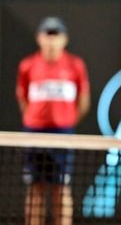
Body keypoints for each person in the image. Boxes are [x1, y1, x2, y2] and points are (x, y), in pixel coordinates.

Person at [15, 16, 90, 225]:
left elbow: (83, 100)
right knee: (35, 188)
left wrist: (68, 120)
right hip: (34, 134)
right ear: (39, 38)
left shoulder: (75, 65)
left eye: (55, 35)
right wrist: (33, 118)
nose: (51, 40)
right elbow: (22, 97)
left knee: (61, 188)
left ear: (64, 39)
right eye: (47, 35)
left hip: (62, 135)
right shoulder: (27, 65)